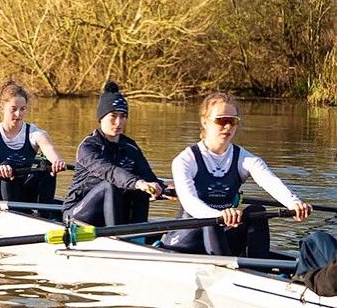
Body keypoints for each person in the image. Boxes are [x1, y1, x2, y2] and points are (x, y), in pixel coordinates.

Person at [162, 91, 312, 258]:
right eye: (221, 120)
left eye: (232, 121)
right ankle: (232, 271)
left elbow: (270, 181)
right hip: (187, 241)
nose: (227, 127)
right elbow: (190, 202)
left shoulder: (245, 159)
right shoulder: (185, 160)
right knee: (214, 222)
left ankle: (260, 270)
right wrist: (218, 215)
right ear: (205, 122)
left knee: (256, 211)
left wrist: (294, 203)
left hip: (221, 239)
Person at [61, 81, 167, 227]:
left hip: (112, 212)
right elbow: (111, 172)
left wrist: (163, 188)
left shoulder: (130, 146)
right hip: (76, 213)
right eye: (113, 116)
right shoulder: (88, 147)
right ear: (101, 117)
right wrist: (138, 183)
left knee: (141, 187)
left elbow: (148, 177)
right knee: (110, 186)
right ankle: (117, 237)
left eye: (123, 116)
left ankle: (138, 236)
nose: (118, 122)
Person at [0, 82, 66, 211]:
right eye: (13, 109)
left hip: (21, 194)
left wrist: (56, 161)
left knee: (47, 166)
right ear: (2, 108)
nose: (18, 114)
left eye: (22, 109)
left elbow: (49, 148)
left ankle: (46, 215)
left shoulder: (35, 133)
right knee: (7, 164)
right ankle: (13, 213)